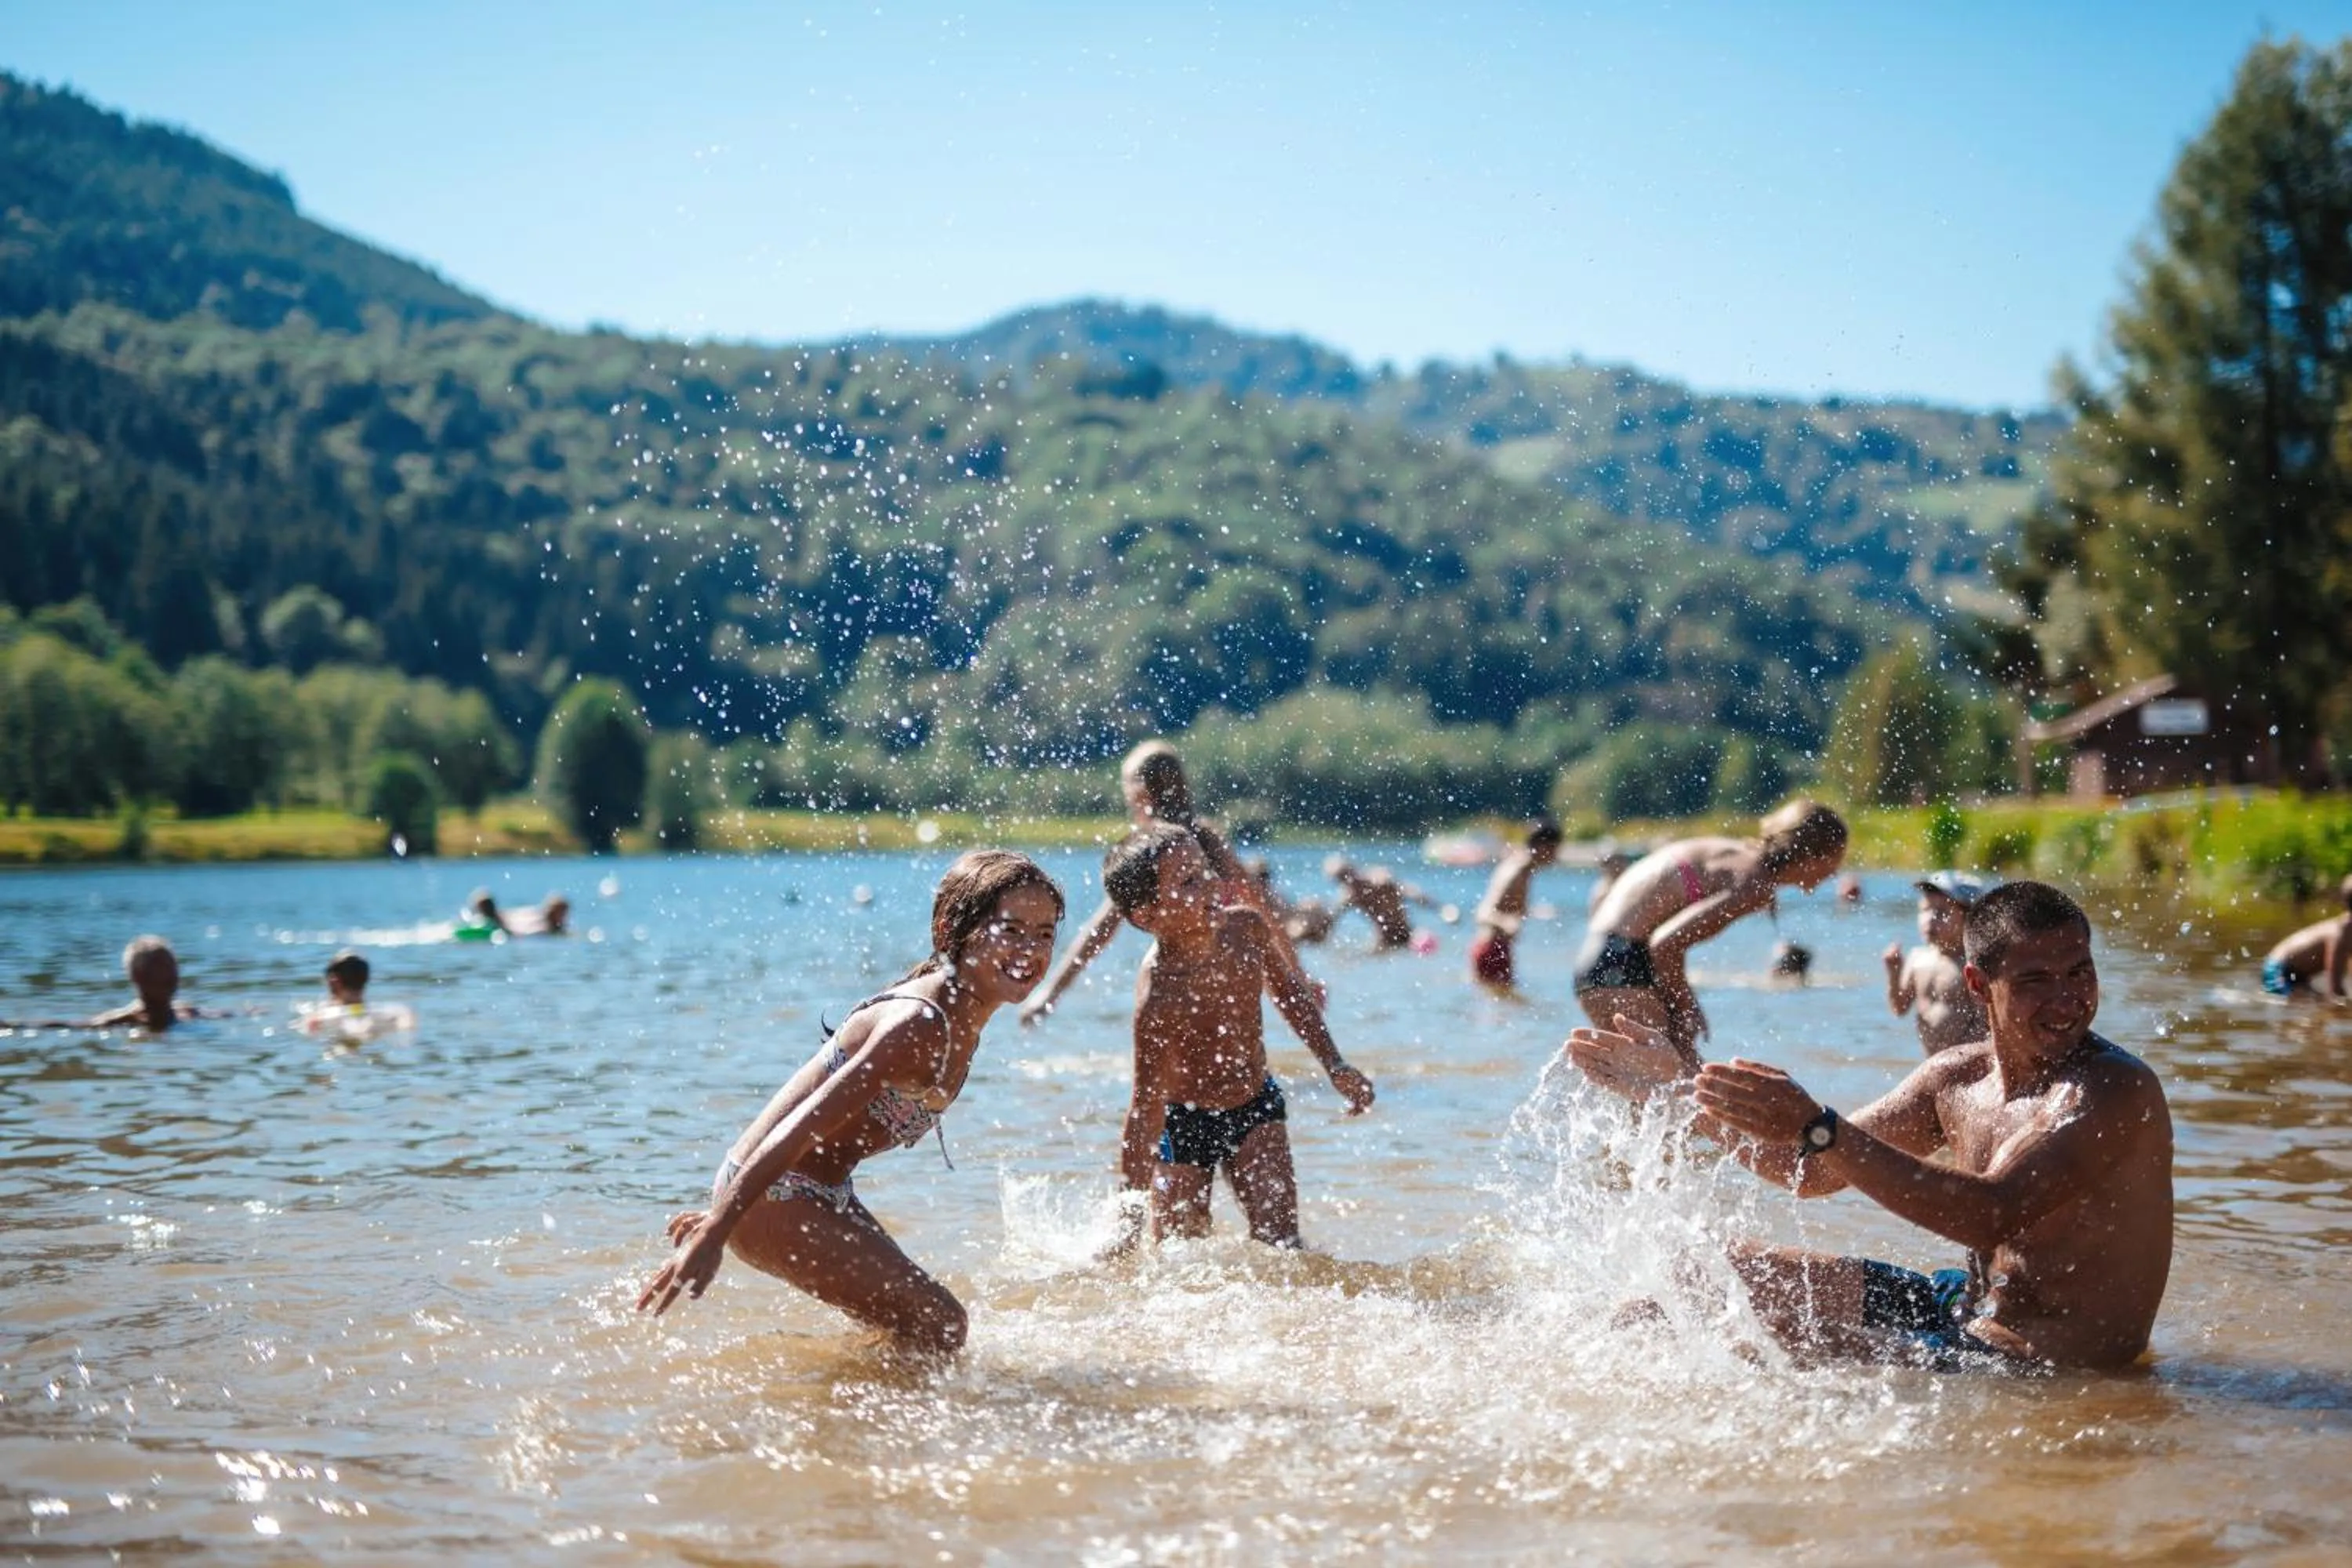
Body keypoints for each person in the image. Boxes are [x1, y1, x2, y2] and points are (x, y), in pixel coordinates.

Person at [1565, 880, 2173, 1372]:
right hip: (1955, 1307)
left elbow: (1991, 1213)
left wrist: (1819, 1125)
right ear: (1978, 985)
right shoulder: (1955, 1079)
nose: (2067, 998)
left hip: (2033, 1360)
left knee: (1757, 1338)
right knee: (1696, 1277)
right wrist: (1681, 1093)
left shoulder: (2114, 1090)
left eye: (2079, 972)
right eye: (2036, 981)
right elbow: (1810, 1171)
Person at [637, 851, 1064, 1356]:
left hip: (809, 1189)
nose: (1030, 950)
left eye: (1044, 934)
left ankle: (835, 1397)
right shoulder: (920, 1025)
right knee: (943, 1324)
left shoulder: (963, 1010)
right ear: (954, 929)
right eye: (1011, 930)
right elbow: (800, 1126)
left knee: (907, 1332)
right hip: (777, 1188)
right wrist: (721, 1226)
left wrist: (730, 1210)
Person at [1100, 825, 1374, 1250]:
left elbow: (1290, 996)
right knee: (1179, 1257)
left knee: (1283, 1245)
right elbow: (1146, 1106)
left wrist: (1334, 1063)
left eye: (1206, 870)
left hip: (1254, 1104)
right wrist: (1129, 1210)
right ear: (1148, 916)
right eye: (1189, 881)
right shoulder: (1158, 996)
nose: (1211, 883)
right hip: (1184, 1122)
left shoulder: (1246, 928)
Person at [1021, 740, 1309, 1023]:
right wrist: (1298, 978)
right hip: (1226, 965)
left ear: (1141, 793)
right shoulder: (1207, 837)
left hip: (1184, 970)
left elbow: (1100, 930)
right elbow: (1261, 906)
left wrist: (1050, 994)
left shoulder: (1154, 850)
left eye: (1126, 787)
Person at [1573, 800, 1848, 1069]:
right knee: (1684, 1085)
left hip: (1602, 957)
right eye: (1835, 860)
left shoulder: (1737, 854)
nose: (1835, 873)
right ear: (1813, 856)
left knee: (1668, 1085)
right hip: (1623, 964)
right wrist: (1687, 1008)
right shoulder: (1754, 885)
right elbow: (1665, 945)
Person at [1886, 872, 1994, 1054]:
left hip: (1967, 1060)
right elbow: (1899, 1008)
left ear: (1969, 918)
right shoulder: (1917, 958)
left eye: (1942, 912)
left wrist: (1963, 1060)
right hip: (1932, 1060)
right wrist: (1894, 973)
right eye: (1924, 909)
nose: (1929, 919)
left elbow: (1987, 1024)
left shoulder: (1973, 965)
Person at [1471, 819, 1564, 988]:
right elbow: (1483, 913)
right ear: (1543, 847)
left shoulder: (1525, 869)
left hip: (1498, 948)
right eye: (1555, 849)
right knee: (1503, 1001)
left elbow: (1508, 906)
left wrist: (1535, 911)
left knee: (1503, 1000)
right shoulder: (1516, 871)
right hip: (1491, 949)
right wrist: (1506, 923)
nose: (1556, 856)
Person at [84, 936, 210, 1031]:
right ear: (139, 976)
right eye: (163, 969)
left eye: (173, 969)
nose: (173, 978)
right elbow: (84, 1025)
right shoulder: (120, 1020)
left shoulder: (189, 1012)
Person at [2259, 874, 2352, 1000]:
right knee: (2314, 1004)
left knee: (2315, 1002)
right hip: (2279, 970)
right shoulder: (2341, 934)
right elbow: (2335, 986)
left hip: (2297, 973)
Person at [1326, 856, 1432, 951]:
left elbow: (1410, 892)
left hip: (1408, 932)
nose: (1347, 880)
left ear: (1353, 869)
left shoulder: (1379, 879)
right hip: (1384, 939)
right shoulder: (1349, 896)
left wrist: (1436, 907)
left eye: (1346, 874)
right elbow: (1332, 920)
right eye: (1340, 878)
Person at [1588, 848, 1636, 917]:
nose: (1618, 865)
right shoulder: (1601, 893)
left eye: (1621, 860)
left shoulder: (1629, 884)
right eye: (1614, 862)